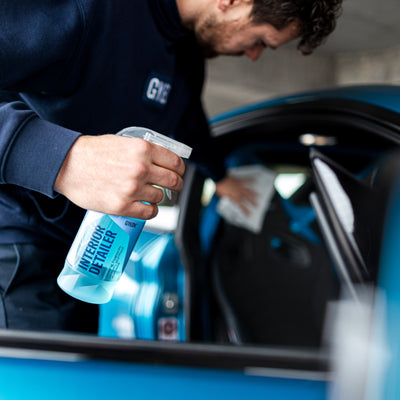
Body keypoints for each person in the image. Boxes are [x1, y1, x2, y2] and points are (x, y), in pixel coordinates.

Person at [0, 0, 342, 333]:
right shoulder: (86, 8)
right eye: (260, 40)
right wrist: (65, 159)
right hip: (17, 239)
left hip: (86, 254)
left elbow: (189, 124)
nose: (254, 54)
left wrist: (221, 176)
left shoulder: (184, 55)